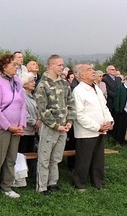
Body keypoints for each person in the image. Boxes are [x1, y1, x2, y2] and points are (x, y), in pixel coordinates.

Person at [35, 54, 76, 195]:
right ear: (51, 65)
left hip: (63, 127)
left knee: (56, 157)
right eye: (59, 65)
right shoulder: (43, 84)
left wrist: (69, 121)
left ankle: (53, 182)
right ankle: (42, 186)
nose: (62, 67)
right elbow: (42, 109)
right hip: (50, 127)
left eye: (62, 65)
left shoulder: (64, 83)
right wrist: (55, 125)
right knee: (45, 157)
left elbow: (71, 103)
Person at [0, 54, 26, 201]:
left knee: (11, 158)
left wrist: (21, 124)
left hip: (16, 127)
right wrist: (8, 126)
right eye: (13, 65)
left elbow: (22, 104)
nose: (16, 67)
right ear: (4, 66)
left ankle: (7, 187)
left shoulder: (16, 81)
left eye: (16, 65)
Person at [72, 65, 113, 192]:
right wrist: (97, 127)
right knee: (84, 159)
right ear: (82, 75)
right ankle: (80, 183)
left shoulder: (96, 88)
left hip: (101, 130)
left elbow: (104, 107)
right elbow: (80, 114)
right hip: (87, 132)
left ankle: (98, 182)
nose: (93, 71)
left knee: (98, 159)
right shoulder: (78, 91)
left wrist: (110, 121)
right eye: (89, 70)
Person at [18, 72, 39, 178]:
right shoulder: (21, 94)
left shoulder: (31, 95)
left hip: (32, 130)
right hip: (24, 130)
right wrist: (35, 122)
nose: (34, 83)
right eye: (31, 81)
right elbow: (23, 113)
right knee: (22, 153)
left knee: (30, 152)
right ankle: (20, 176)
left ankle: (29, 174)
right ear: (24, 83)